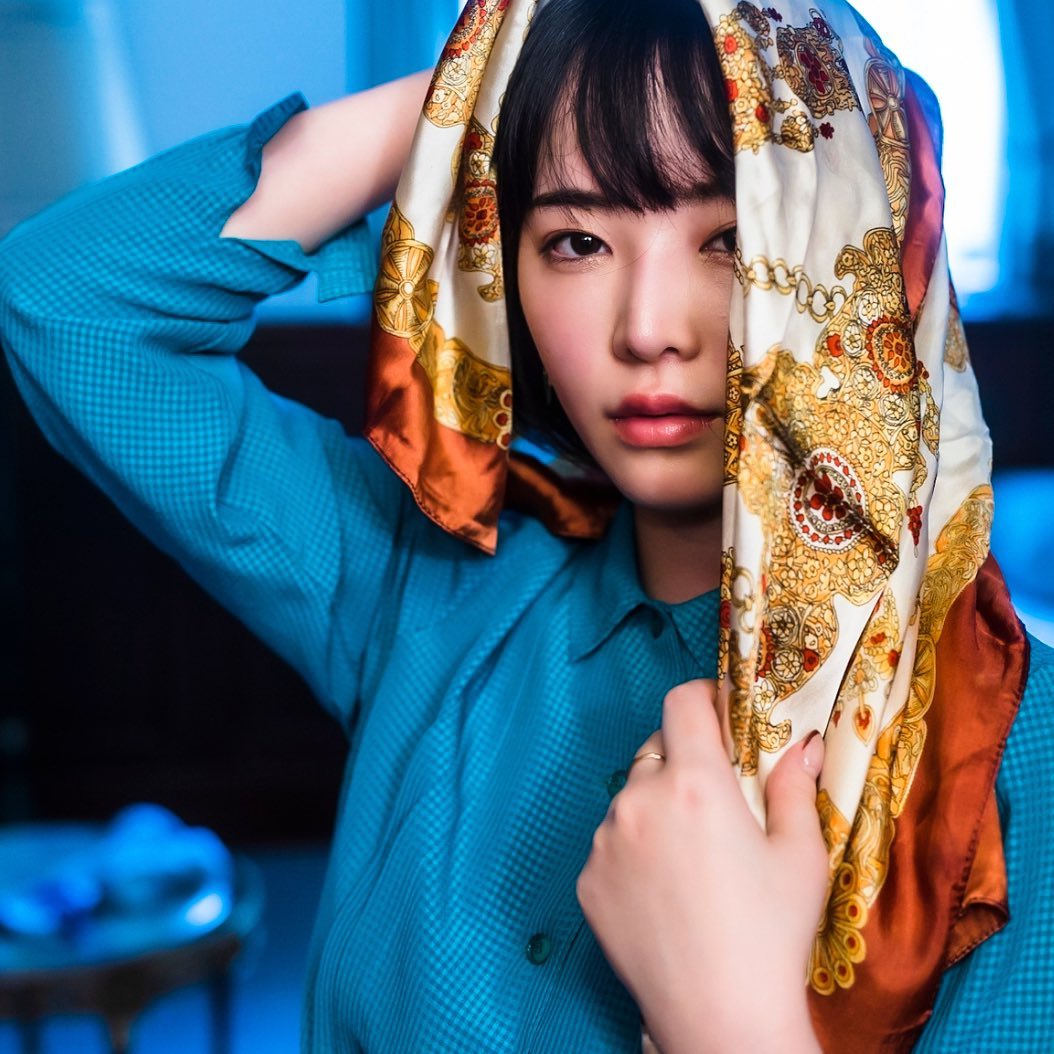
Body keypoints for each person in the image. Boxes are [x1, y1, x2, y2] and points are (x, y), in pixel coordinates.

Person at [1, 0, 1051, 1050]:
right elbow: (65, 304)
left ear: (857, 255)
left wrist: (733, 1023)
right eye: (577, 239)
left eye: (735, 238)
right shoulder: (429, 585)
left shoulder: (1015, 748)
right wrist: (497, 72)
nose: (647, 329)